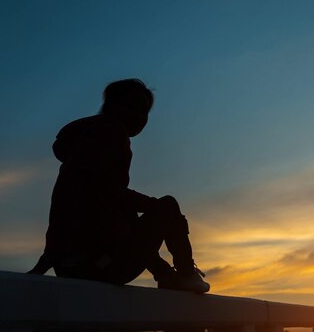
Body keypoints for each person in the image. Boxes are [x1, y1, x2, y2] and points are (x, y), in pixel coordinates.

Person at [28, 79, 210, 293]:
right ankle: (187, 274)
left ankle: (167, 275)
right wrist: (159, 209)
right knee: (167, 205)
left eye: (144, 111)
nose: (140, 117)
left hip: (72, 266)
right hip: (99, 265)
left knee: (136, 212)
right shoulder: (111, 132)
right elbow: (104, 192)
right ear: (111, 106)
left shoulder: (88, 140)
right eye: (132, 106)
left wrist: (52, 253)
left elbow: (97, 196)